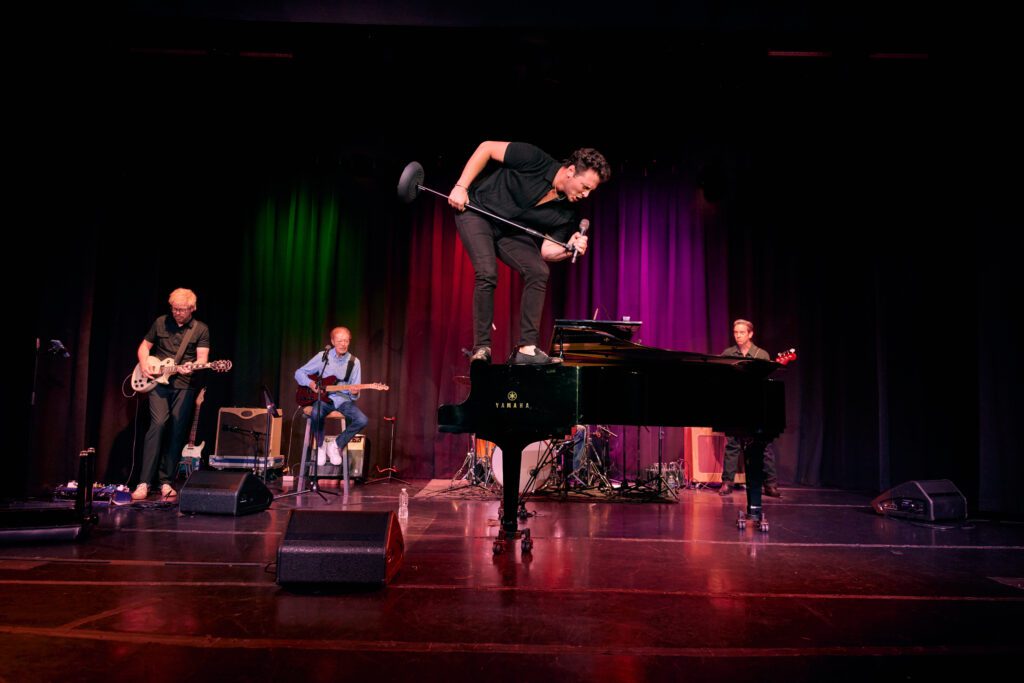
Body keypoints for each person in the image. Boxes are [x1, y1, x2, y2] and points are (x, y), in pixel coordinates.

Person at [449, 141, 611, 365]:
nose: (585, 195)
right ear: (571, 171)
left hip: (508, 230)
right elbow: (486, 148)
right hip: (477, 213)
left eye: (590, 191)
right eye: (584, 187)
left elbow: (546, 250)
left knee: (538, 271)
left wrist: (568, 249)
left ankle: (527, 349)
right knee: (487, 272)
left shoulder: (567, 212)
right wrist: (461, 186)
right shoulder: (534, 158)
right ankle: (482, 348)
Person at [132, 288, 210, 500]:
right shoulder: (160, 322)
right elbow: (144, 347)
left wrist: (191, 366)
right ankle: (143, 482)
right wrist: (144, 364)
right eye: (175, 309)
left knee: (176, 431)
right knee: (157, 425)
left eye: (182, 310)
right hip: (159, 383)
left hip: (184, 384)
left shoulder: (200, 329)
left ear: (192, 309)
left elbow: (203, 359)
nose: (177, 313)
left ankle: (165, 482)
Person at [718, 319, 782, 498]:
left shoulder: (761, 354)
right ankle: (727, 482)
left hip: (756, 405)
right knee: (732, 444)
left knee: (764, 445)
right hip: (734, 405)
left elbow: (768, 382)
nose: (738, 335)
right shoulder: (728, 353)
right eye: (736, 332)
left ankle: (770, 483)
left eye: (742, 332)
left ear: (750, 334)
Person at [294, 327, 369, 467]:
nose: (343, 344)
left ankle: (335, 445)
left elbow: (354, 391)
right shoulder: (324, 356)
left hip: (343, 401)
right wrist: (310, 383)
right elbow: (299, 373)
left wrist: (354, 393)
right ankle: (321, 446)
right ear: (333, 341)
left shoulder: (354, 362)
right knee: (316, 413)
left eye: (346, 341)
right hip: (323, 399)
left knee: (362, 420)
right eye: (340, 340)